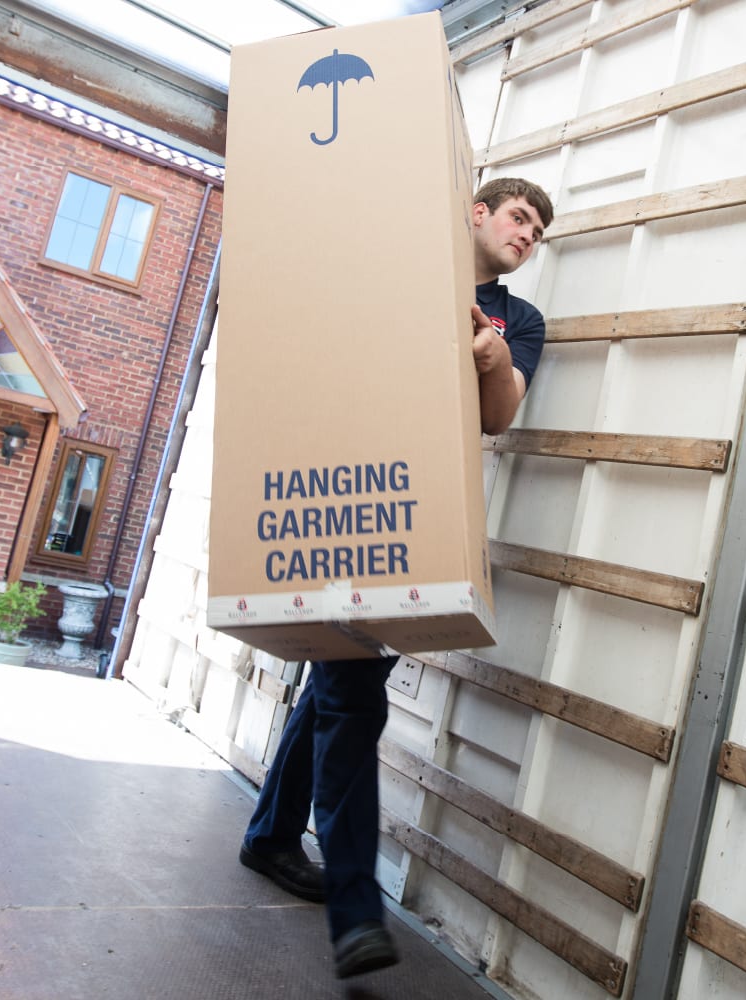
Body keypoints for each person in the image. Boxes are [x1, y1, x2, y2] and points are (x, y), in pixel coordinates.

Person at [239, 177, 554, 979]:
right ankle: (355, 913)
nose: (530, 234)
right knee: (352, 693)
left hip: (409, 519)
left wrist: (489, 358)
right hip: (340, 491)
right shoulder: (397, 264)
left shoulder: (517, 319)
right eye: (521, 216)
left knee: (336, 682)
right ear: (477, 211)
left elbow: (502, 412)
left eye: (541, 232)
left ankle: (270, 837)